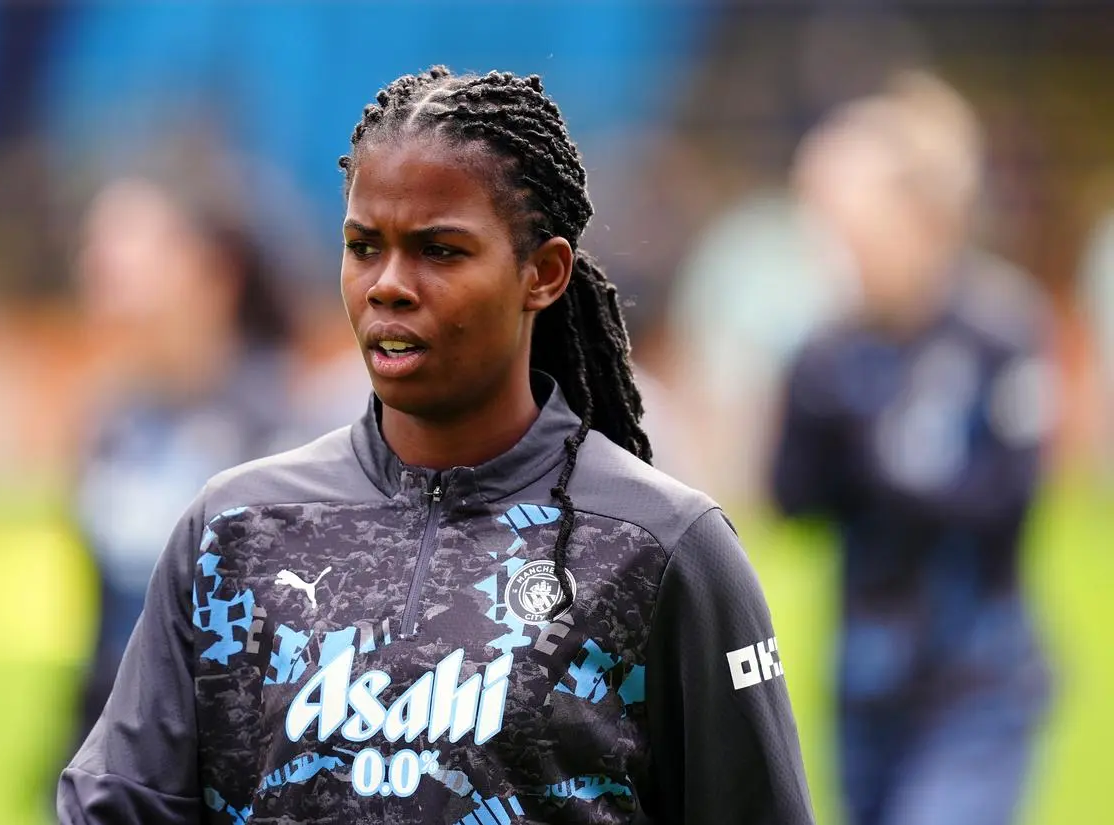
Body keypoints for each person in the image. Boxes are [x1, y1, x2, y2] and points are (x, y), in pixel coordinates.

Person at [59, 66, 813, 825]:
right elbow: (119, 804)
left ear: (542, 273)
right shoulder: (233, 530)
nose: (389, 284)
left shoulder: (664, 548)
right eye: (363, 247)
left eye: (440, 250)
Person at [772, 72, 1054, 825]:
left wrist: (888, 459)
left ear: (921, 220)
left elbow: (1008, 503)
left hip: (974, 674)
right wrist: (820, 415)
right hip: (866, 672)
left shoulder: (999, 333)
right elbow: (793, 499)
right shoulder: (827, 352)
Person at [66, 172, 299, 762]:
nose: (100, 263)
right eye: (96, 244)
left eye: (129, 244)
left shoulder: (280, 429)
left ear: (212, 271)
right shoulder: (110, 424)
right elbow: (102, 628)